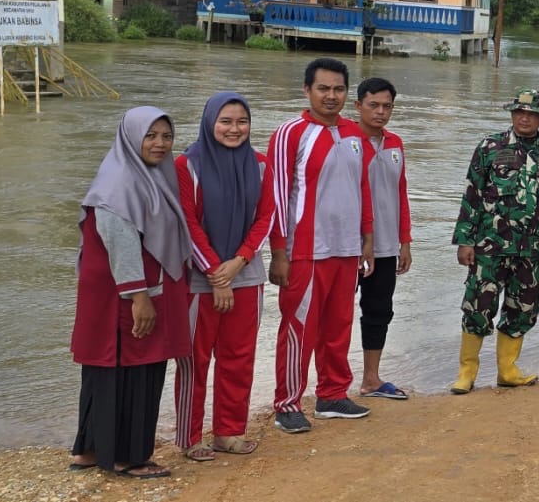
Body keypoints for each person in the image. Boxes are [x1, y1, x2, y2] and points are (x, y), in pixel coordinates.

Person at [70, 106, 192, 479]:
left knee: (106, 370)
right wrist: (139, 297)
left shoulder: (147, 175)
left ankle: (89, 450)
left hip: (114, 293)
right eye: (150, 136)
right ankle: (128, 457)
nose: (159, 144)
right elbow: (120, 243)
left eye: (166, 136)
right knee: (135, 369)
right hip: (127, 293)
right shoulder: (120, 182)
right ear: (130, 137)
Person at [267, 57, 375, 433]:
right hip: (305, 251)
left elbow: (362, 188)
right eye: (323, 89)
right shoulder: (290, 133)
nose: (331, 96)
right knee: (299, 328)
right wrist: (278, 252)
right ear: (307, 90)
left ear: (348, 93)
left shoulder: (355, 133)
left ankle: (332, 395)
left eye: (339, 89)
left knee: (338, 326)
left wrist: (367, 240)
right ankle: (287, 403)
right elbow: (276, 196)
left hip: (346, 250)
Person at [450, 88, 539, 393]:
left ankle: (508, 370)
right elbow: (472, 195)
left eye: (531, 114)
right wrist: (465, 241)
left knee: (523, 308)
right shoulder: (489, 147)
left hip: (532, 249)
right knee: (478, 306)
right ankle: (467, 372)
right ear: (511, 114)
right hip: (489, 246)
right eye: (519, 112)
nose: (524, 118)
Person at [172, 93, 274, 461]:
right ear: (210, 121)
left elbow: (267, 219)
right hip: (201, 278)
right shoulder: (187, 165)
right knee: (194, 360)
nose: (234, 129)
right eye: (226, 121)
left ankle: (229, 432)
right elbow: (187, 223)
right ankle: (190, 437)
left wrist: (239, 262)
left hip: (245, 275)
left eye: (241, 122)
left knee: (239, 356)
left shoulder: (261, 165)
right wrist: (218, 274)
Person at [350, 77, 412, 400]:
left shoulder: (395, 144)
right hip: (348, 245)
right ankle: (325, 383)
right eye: (373, 105)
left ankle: (371, 379)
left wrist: (405, 241)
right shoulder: (346, 140)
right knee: (334, 313)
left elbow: (400, 193)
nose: (380, 112)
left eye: (387, 106)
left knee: (379, 311)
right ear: (358, 105)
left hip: (387, 245)